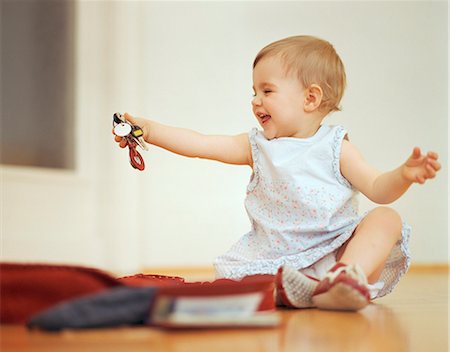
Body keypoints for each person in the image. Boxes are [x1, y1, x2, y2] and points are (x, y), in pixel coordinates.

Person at [113, 35, 441, 311]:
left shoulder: (335, 146)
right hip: (274, 259)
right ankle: (295, 291)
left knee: (386, 217)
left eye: (266, 91)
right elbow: (202, 143)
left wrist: (402, 175)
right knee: (237, 288)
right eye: (253, 92)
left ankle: (343, 279)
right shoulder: (256, 146)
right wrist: (150, 130)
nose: (255, 101)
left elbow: (378, 188)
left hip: (334, 250)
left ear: (310, 98)